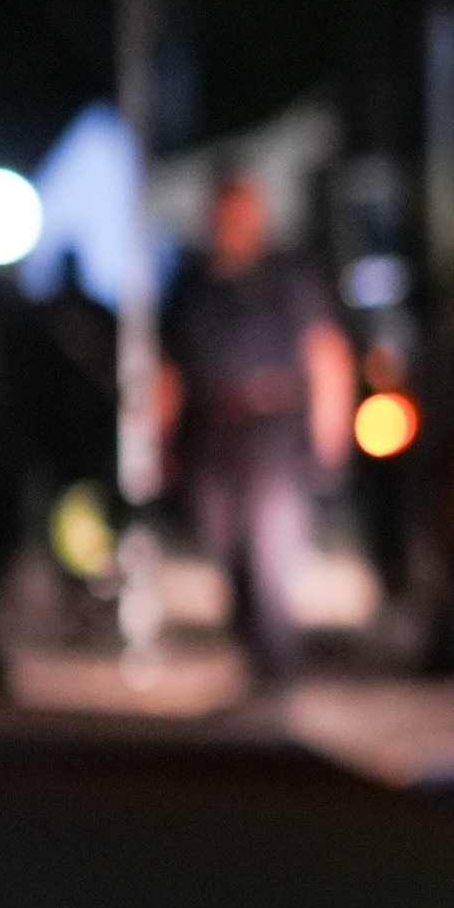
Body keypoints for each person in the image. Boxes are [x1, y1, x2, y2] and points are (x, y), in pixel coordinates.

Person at [159, 173, 353, 691]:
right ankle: (254, 655)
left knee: (272, 549)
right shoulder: (191, 283)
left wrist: (331, 438)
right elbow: (169, 369)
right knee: (223, 546)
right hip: (212, 431)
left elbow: (327, 357)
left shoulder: (289, 278)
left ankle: (278, 671)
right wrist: (161, 440)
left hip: (275, 431)